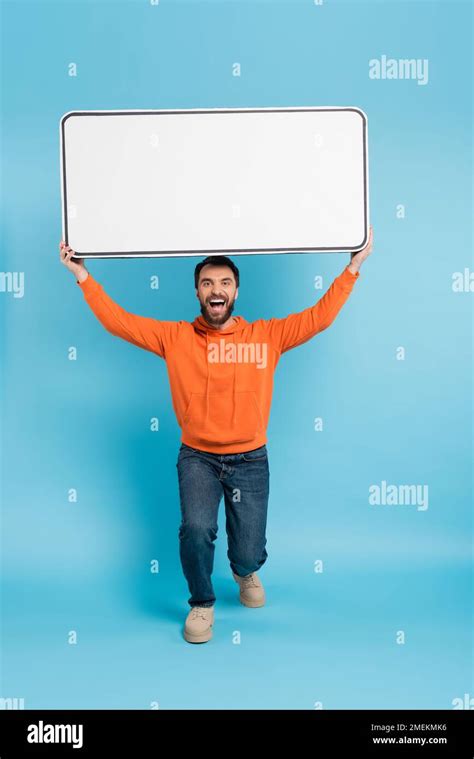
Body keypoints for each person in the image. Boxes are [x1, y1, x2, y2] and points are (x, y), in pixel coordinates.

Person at [59, 228, 373, 643]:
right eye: (207, 283)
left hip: (250, 460)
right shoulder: (175, 339)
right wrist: (81, 274)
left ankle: (245, 572)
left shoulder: (266, 336)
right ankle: (202, 604)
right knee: (196, 528)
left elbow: (320, 317)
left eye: (225, 282)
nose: (216, 289)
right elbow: (119, 322)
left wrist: (353, 266)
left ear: (236, 292)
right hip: (198, 458)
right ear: (197, 293)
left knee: (247, 550)